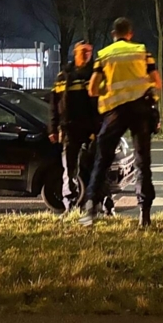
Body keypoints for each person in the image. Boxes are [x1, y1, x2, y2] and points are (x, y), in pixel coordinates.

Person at [80, 18, 162, 227]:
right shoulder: (142, 52)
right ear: (130, 33)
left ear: (113, 34)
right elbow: (157, 82)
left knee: (102, 159)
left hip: (115, 113)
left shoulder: (104, 55)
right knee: (143, 162)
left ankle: (90, 210)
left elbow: (92, 89)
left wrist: (110, 89)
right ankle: (145, 215)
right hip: (140, 111)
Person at [50, 40, 114, 215]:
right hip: (70, 129)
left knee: (99, 167)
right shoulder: (63, 76)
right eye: (83, 51)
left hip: (93, 129)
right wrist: (53, 128)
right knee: (69, 170)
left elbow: (103, 102)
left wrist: (100, 127)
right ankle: (69, 205)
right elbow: (55, 104)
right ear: (75, 53)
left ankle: (105, 204)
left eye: (89, 51)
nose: (86, 54)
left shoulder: (95, 74)